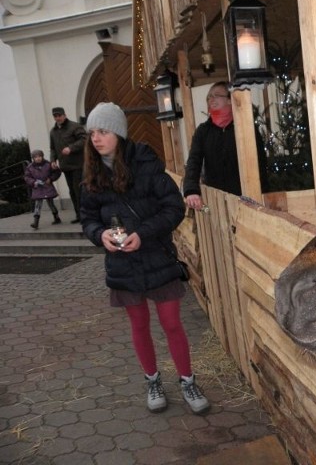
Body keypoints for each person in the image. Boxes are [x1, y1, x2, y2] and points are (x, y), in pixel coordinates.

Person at [80, 102, 210, 415]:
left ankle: (187, 380)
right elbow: (87, 218)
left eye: (103, 131)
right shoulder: (91, 176)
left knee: (171, 324)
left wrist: (143, 234)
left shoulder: (145, 162)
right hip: (122, 264)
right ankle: (152, 381)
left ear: (119, 133)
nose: (96, 138)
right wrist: (101, 235)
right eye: (92, 133)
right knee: (139, 325)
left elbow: (174, 208)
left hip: (156, 257)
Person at [183, 81, 241, 210]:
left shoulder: (243, 127)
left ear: (229, 100)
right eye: (209, 97)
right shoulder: (203, 131)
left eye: (217, 95)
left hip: (244, 197)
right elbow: (194, 161)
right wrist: (191, 190)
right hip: (216, 199)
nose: (211, 99)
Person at [50, 106, 86, 224]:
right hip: (65, 166)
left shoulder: (75, 126)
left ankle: (84, 215)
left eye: (59, 115)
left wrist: (71, 148)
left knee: (79, 190)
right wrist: (53, 160)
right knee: (72, 191)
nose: (58, 118)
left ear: (64, 115)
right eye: (55, 116)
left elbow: (84, 139)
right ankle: (78, 215)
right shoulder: (53, 131)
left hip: (78, 164)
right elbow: (52, 148)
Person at [24, 149, 62, 230]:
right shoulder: (30, 167)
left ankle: (56, 217)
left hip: (47, 186)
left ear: (42, 156)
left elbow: (57, 172)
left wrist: (51, 179)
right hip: (37, 188)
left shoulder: (48, 164)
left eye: (39, 156)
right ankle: (36, 222)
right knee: (37, 205)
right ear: (33, 158)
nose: (38, 158)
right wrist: (33, 182)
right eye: (36, 157)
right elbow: (27, 177)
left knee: (51, 204)